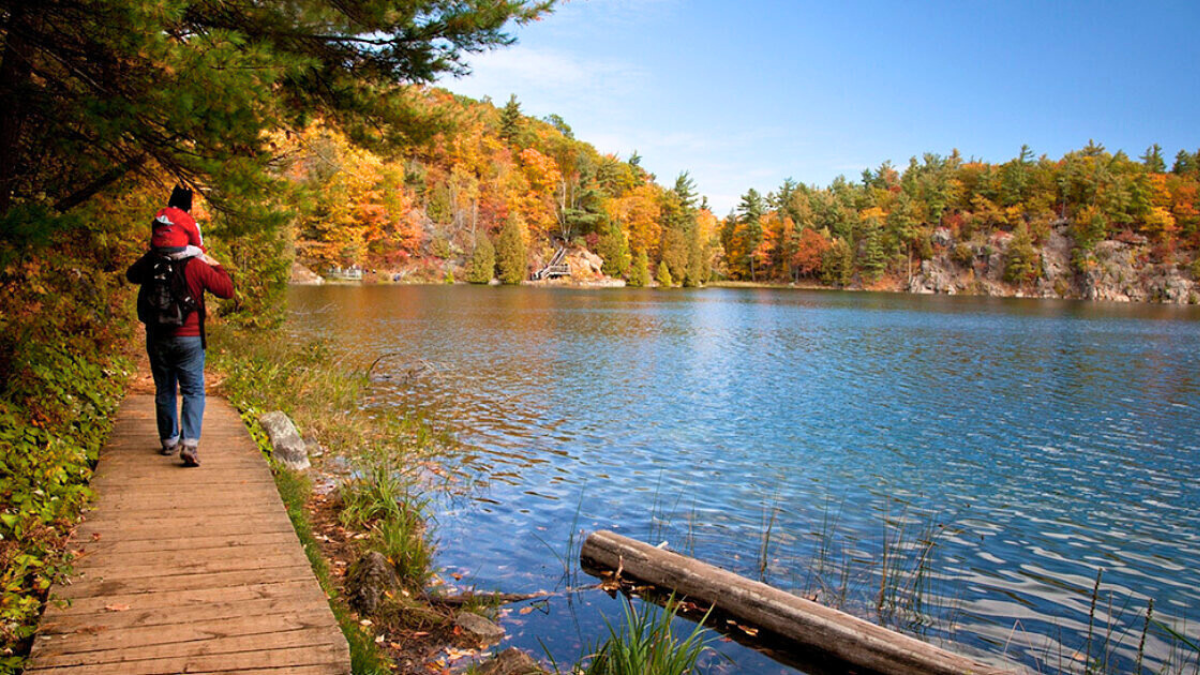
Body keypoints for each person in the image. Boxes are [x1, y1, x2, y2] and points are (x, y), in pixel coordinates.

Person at [126, 186, 233, 467]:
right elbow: (226, 290)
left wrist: (152, 259)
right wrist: (217, 265)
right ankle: (189, 444)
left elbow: (131, 275)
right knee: (194, 390)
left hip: (157, 336)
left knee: (164, 389)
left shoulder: (153, 261)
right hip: (189, 338)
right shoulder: (195, 264)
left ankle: (168, 441)